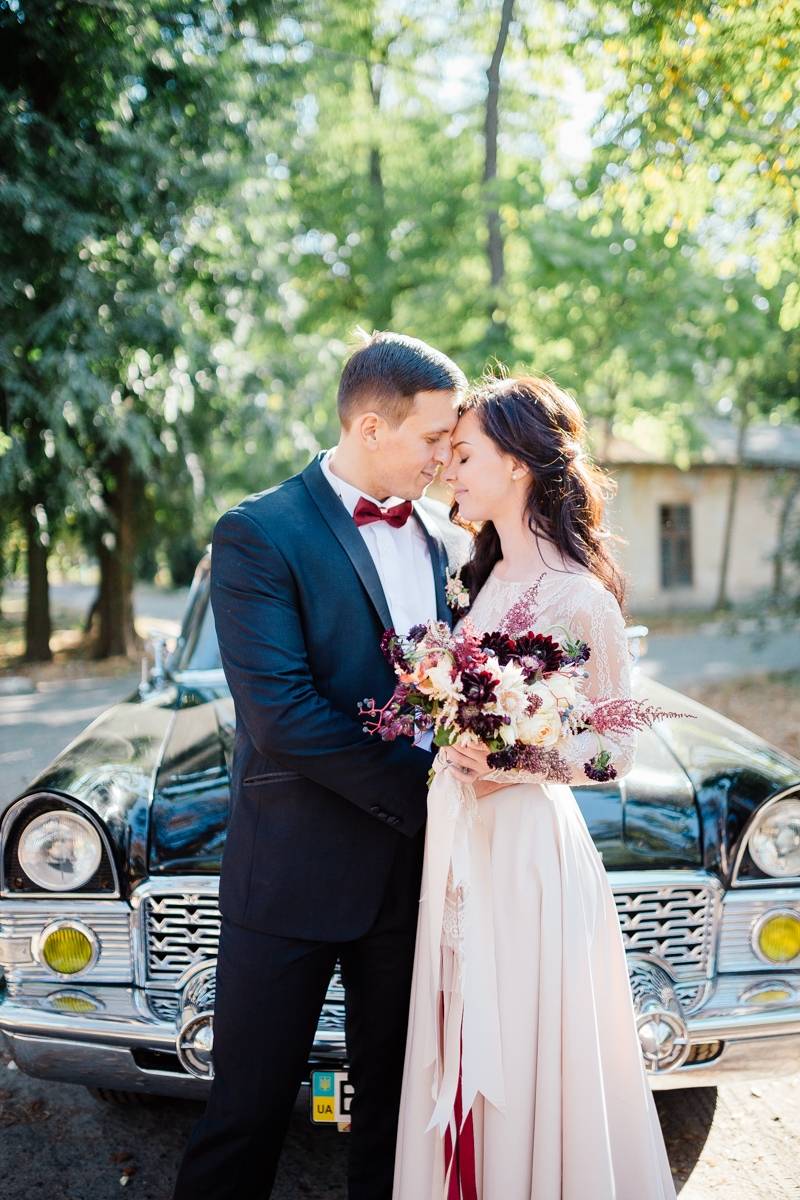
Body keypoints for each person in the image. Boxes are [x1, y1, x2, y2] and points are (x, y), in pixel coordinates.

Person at [172, 330, 469, 1200]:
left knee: (395, 1115)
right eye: (433, 438)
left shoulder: (444, 540)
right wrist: (429, 795)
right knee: (246, 1115)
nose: (445, 457)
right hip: (289, 877)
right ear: (371, 427)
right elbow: (282, 717)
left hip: (409, 884)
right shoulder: (259, 532)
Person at [392, 374, 677, 1200]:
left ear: (517, 464)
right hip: (458, 846)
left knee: (522, 1041)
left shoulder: (582, 599)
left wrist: (514, 762)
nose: (449, 470)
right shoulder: (474, 583)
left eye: (464, 454)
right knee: (459, 1029)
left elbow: (617, 750)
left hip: (526, 858)